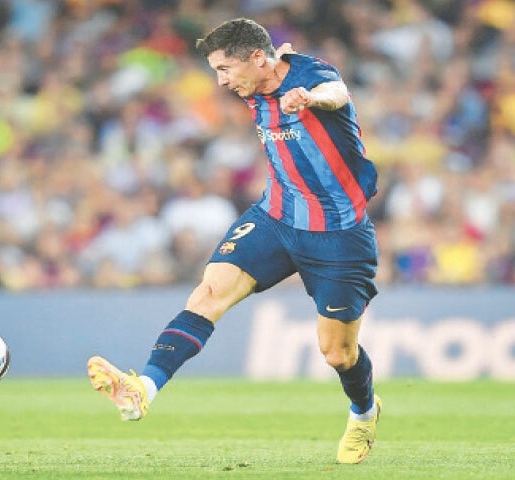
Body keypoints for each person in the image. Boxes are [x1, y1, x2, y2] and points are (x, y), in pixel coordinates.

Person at [87, 18, 382, 464]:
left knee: (337, 353)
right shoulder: (257, 81)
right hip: (276, 217)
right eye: (216, 72)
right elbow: (269, 61)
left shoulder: (312, 78)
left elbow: (337, 93)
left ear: (257, 59)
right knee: (209, 292)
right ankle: (142, 390)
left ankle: (363, 412)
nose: (222, 82)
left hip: (338, 235)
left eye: (225, 69)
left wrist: (308, 98)